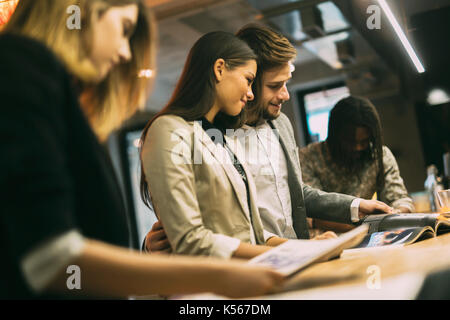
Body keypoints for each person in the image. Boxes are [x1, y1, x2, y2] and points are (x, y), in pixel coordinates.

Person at [0, 0, 284, 299]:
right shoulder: (21, 61)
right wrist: (220, 275)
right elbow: (51, 258)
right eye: (124, 29)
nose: (124, 52)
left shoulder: (62, 98)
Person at [144, 24, 392, 253]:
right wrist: (154, 245)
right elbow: (199, 230)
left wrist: (353, 206)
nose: (284, 95)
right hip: (243, 272)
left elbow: (292, 195)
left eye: (286, 83)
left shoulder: (280, 124)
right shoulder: (208, 135)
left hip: (279, 259)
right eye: (273, 85)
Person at [140, 31, 302, 260]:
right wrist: (287, 253)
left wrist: (305, 249)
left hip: (249, 276)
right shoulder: (169, 130)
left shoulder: (221, 139)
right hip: (213, 285)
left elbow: (253, 233)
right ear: (219, 69)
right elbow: (190, 239)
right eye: (248, 80)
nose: (250, 94)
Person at [299, 96, 415, 235]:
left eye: (365, 141)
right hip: (327, 240)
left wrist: (395, 213)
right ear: (335, 135)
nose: (358, 147)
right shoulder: (308, 158)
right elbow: (313, 214)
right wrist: (368, 225)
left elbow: (399, 199)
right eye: (350, 141)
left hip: (373, 237)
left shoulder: (379, 155)